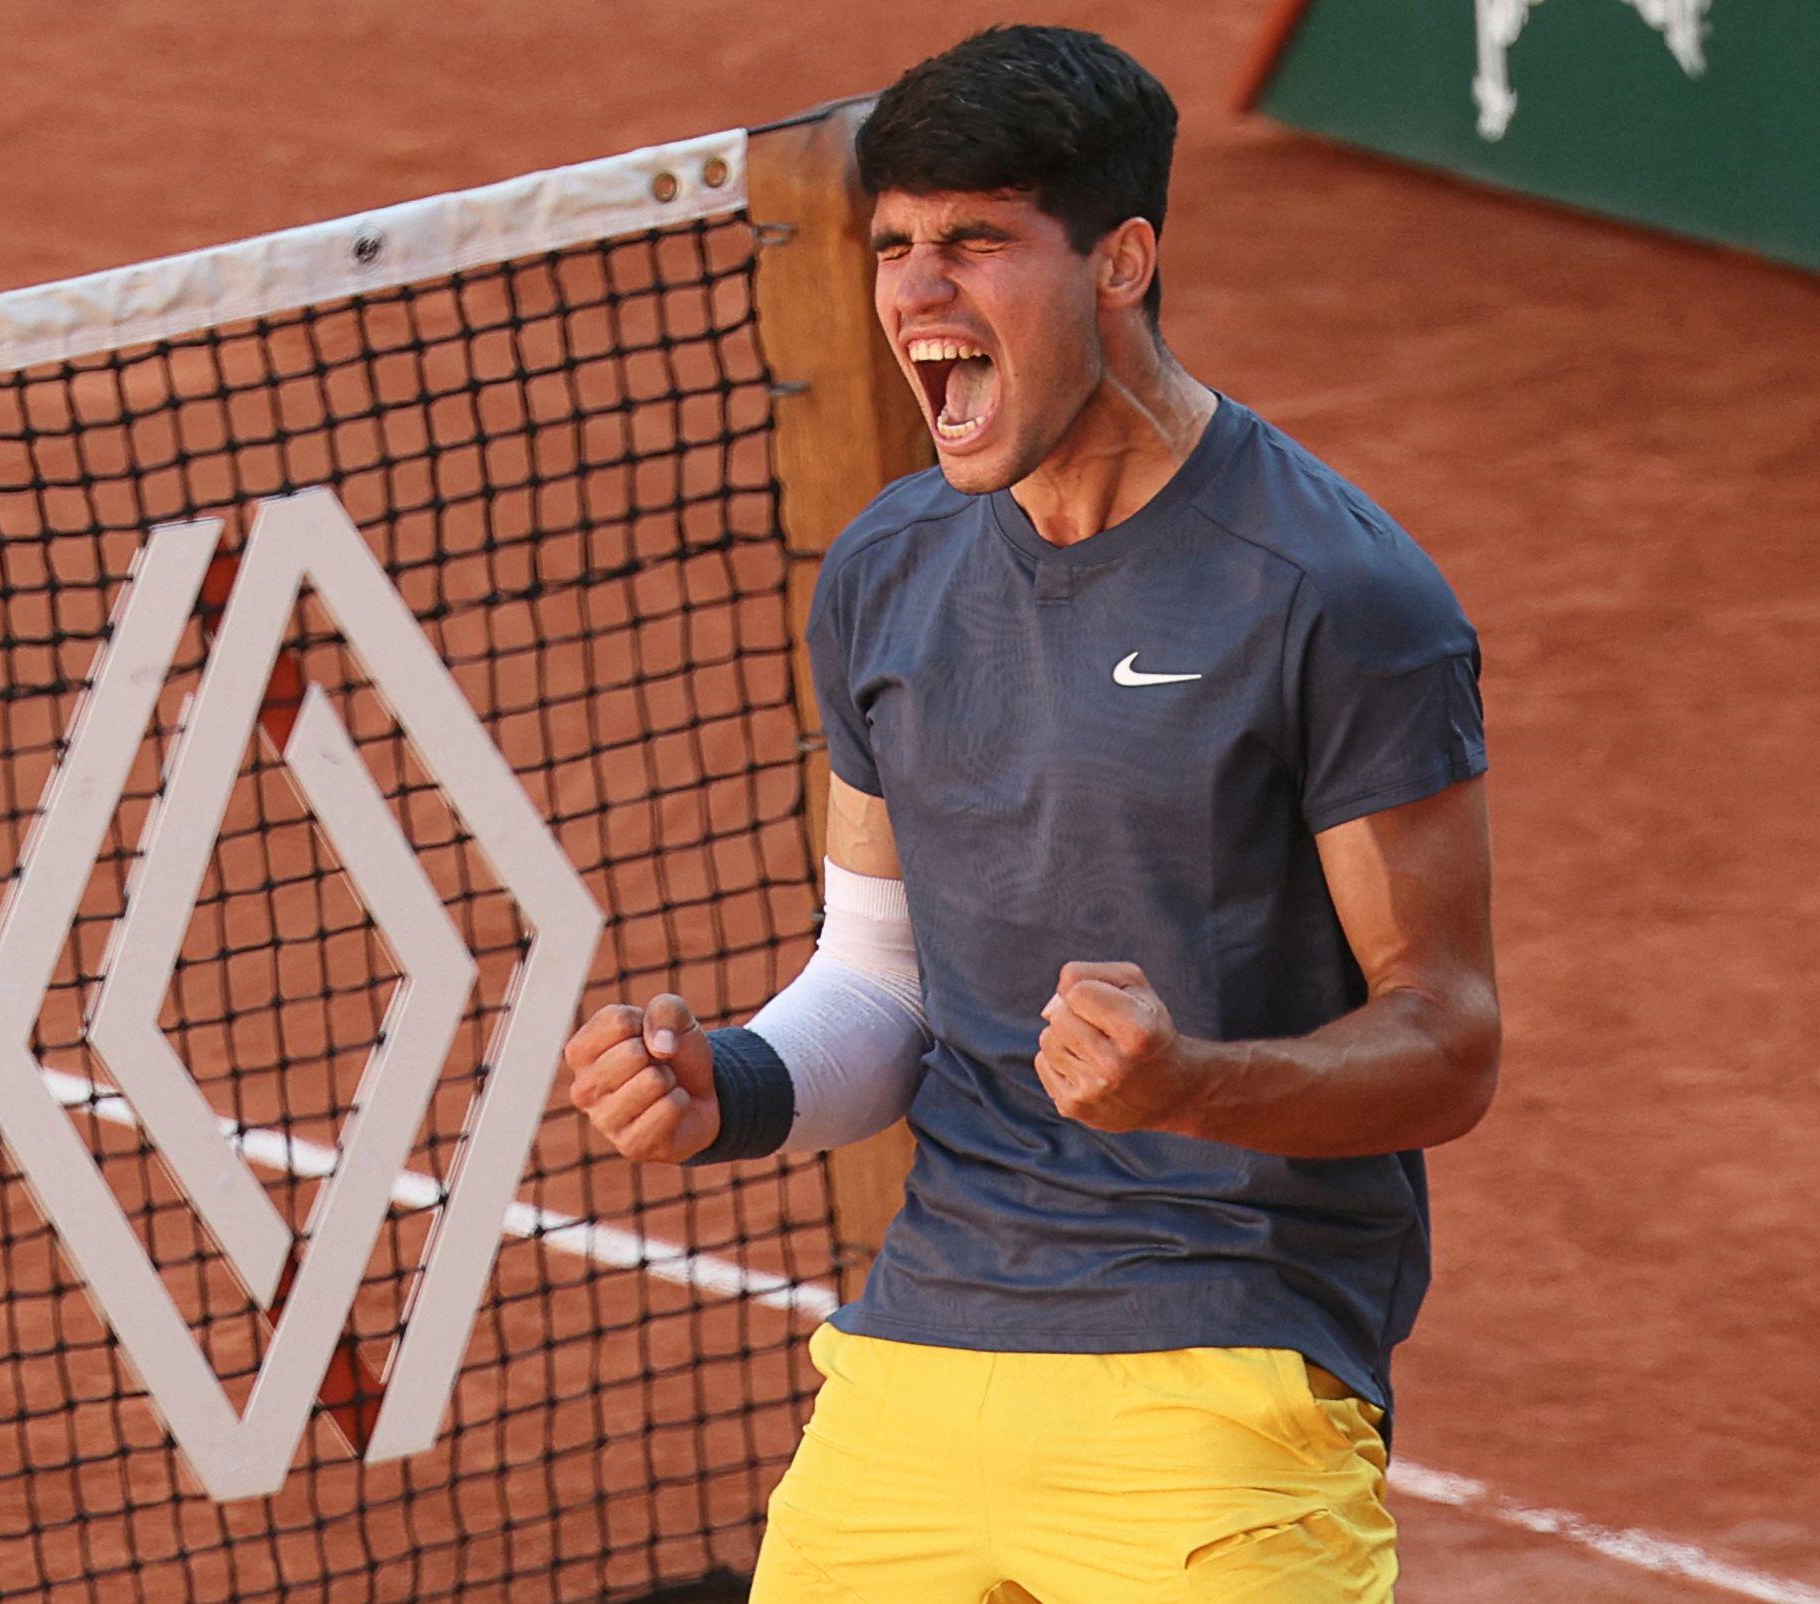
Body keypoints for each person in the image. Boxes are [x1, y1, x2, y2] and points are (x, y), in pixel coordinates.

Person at [563, 24, 1498, 1603]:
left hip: (1221, 1372)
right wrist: (720, 1083)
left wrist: (1189, 1081)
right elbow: (880, 986)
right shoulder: (886, 569)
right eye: (896, 246)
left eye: (976, 243)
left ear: (1121, 259)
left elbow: (1448, 1041)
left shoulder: (1333, 594)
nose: (917, 295)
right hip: (921, 1347)